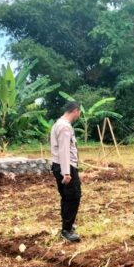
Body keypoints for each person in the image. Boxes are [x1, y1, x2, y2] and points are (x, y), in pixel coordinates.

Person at [50, 101, 82, 243]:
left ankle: (66, 226)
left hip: (60, 165)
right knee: (73, 196)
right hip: (66, 166)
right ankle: (66, 230)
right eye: (79, 111)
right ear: (75, 111)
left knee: (66, 196)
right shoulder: (64, 127)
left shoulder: (58, 124)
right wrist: (67, 173)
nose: (79, 114)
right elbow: (64, 150)